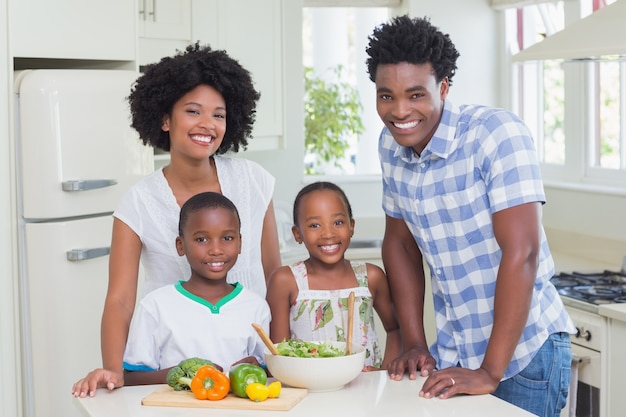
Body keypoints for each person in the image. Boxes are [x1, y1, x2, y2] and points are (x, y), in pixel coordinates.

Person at [364, 15, 575, 417]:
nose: (399, 110)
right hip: (455, 353)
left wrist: (490, 370)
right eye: (386, 96)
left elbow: (523, 253)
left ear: (443, 87)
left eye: (415, 94)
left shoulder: (494, 134)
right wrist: (414, 342)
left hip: (524, 357)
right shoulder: (390, 147)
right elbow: (401, 244)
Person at [72, 43, 281, 397]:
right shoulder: (138, 203)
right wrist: (113, 370)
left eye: (219, 114)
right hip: (174, 377)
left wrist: (282, 358)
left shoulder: (254, 181)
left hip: (250, 372)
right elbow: (120, 300)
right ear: (165, 119)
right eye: (193, 111)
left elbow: (275, 276)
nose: (207, 125)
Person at [97, 192, 268, 388]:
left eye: (227, 238)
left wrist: (259, 367)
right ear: (181, 245)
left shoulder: (256, 307)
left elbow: (266, 370)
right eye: (202, 239)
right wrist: (181, 373)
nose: (216, 249)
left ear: (240, 243)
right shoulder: (156, 306)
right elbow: (130, 378)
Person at [266, 181, 401, 370]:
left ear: (351, 226)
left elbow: (396, 329)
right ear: (297, 234)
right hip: (311, 393)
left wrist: (384, 374)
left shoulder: (371, 277)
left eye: (338, 222)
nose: (328, 233)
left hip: (365, 394)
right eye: (314, 225)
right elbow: (279, 354)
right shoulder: (285, 281)